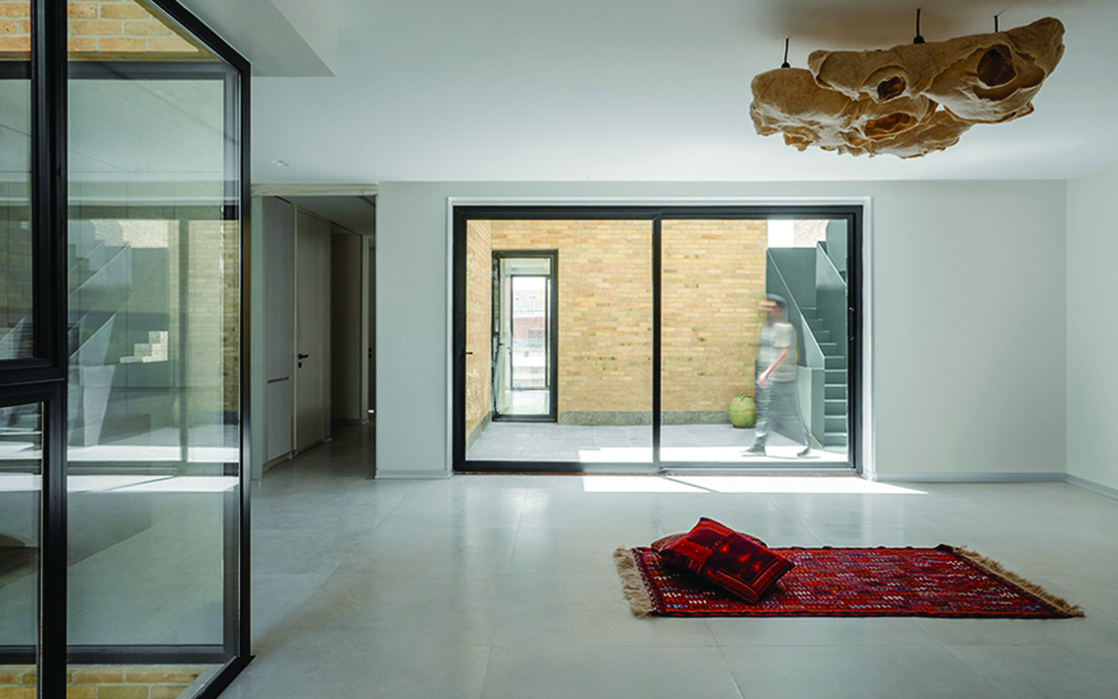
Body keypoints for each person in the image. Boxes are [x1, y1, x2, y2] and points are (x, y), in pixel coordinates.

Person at [744, 294, 811, 457]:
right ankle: (760, 445)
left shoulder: (783, 328)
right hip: (769, 378)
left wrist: (767, 373)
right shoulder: (767, 327)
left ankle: (805, 443)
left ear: (780, 310)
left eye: (771, 307)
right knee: (772, 412)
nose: (767, 310)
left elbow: (783, 353)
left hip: (779, 378)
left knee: (779, 413)